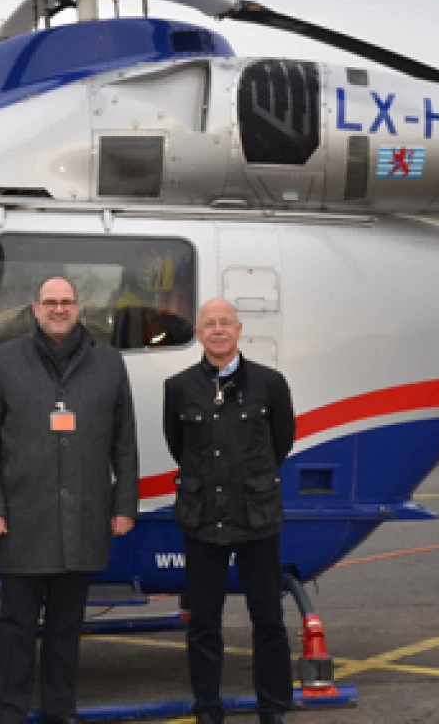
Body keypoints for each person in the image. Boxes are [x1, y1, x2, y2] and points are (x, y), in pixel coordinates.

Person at [0, 275, 139, 724]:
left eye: (66, 302)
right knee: (16, 628)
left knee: (66, 629)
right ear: (35, 308)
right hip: (21, 519)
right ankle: (7, 713)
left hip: (83, 517)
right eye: (51, 302)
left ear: (78, 308)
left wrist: (124, 505)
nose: (59, 309)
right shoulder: (4, 361)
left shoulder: (108, 363)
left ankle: (59, 711)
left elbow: (124, 440)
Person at [163, 298, 295, 724]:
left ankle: (272, 707)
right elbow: (178, 446)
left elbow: (281, 443)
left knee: (269, 620)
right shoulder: (179, 387)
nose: (218, 330)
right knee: (203, 622)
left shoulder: (270, 383)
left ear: (239, 330)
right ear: (199, 334)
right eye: (209, 324)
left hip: (258, 517)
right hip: (202, 520)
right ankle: (207, 708)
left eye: (225, 323)